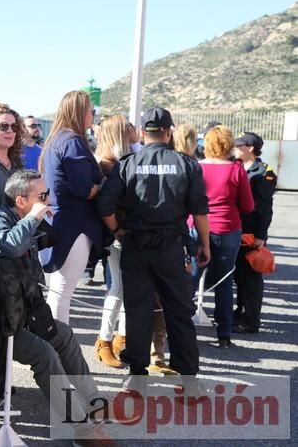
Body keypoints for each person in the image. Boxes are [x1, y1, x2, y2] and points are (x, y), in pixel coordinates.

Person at [0, 170, 110, 445]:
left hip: (22, 314)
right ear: (21, 201)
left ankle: (95, 402)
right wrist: (35, 218)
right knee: (44, 355)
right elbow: (9, 246)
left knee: (65, 336)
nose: (48, 201)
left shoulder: (29, 221)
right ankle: (83, 430)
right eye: (42, 196)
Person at [98, 107, 211, 383]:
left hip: (135, 246)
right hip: (172, 248)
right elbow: (199, 212)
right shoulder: (187, 164)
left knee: (137, 310)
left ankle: (137, 374)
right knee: (179, 312)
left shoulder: (127, 163)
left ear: (143, 132)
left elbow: (105, 205)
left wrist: (117, 230)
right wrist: (204, 245)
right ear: (169, 131)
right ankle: (189, 379)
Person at [39, 90, 103, 325]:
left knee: (57, 292)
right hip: (74, 227)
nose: (93, 115)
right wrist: (101, 184)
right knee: (61, 293)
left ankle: (54, 346)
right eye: (90, 111)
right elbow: (83, 189)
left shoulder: (56, 139)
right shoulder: (72, 141)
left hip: (58, 222)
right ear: (79, 112)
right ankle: (58, 348)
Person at [191, 125, 254, 348]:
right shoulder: (236, 170)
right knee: (224, 283)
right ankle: (224, 335)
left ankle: (178, 327)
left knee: (190, 279)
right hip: (228, 229)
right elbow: (247, 205)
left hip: (198, 229)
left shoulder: (196, 168)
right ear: (228, 144)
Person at [92, 114, 130, 369]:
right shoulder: (106, 164)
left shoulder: (113, 162)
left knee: (126, 288)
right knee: (118, 287)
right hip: (116, 234)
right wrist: (116, 230)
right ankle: (105, 340)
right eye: (127, 129)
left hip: (122, 232)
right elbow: (104, 204)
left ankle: (120, 338)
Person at [232, 132, 277, 334]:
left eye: (238, 145)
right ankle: (240, 311)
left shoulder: (264, 172)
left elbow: (265, 208)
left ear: (250, 148)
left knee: (251, 276)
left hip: (252, 232)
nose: (234, 148)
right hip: (239, 229)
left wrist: (260, 235)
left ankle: (251, 319)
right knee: (240, 275)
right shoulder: (239, 167)